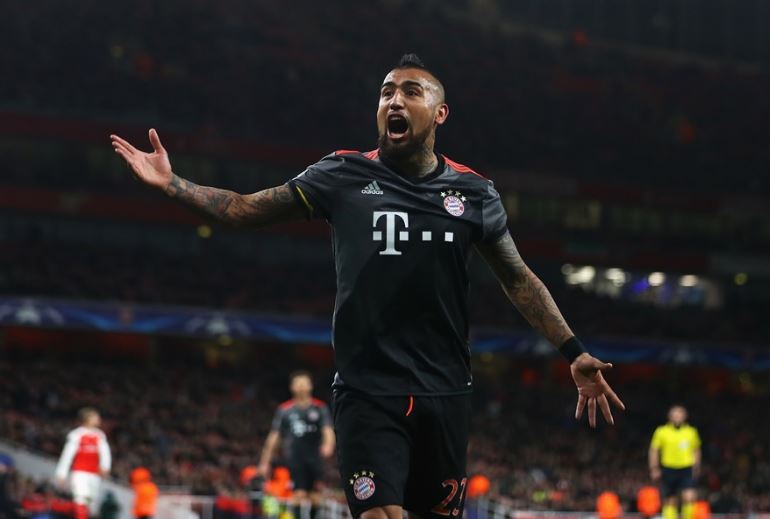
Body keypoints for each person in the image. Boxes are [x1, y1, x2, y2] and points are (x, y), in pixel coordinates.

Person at [110, 53, 625, 519]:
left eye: (410, 92)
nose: (394, 101)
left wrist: (573, 350)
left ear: (439, 113)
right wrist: (172, 184)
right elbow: (245, 209)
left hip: (445, 391)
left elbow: (518, 277)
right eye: (386, 92)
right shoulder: (341, 174)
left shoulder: (474, 193)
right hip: (366, 389)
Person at [259, 371, 334, 517]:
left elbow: (328, 430)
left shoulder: (320, 408)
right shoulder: (284, 410)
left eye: (304, 383)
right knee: (297, 495)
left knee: (315, 495)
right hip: (295, 458)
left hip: (315, 457)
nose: (301, 386)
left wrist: (328, 445)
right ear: (292, 387)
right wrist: (265, 461)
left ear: (310, 386)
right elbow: (274, 436)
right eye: (298, 383)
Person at [55, 408, 111, 519]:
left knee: (90, 502)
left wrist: (105, 467)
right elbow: (67, 455)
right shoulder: (76, 435)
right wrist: (61, 473)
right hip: (80, 472)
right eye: (95, 417)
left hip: (94, 473)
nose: (98, 419)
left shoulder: (100, 435)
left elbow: (105, 453)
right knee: (80, 498)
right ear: (87, 419)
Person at [649, 405, 702, 519]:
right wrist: (654, 468)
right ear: (669, 416)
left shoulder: (691, 432)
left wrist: (697, 466)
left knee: (689, 497)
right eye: (675, 415)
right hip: (669, 468)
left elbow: (696, 450)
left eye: (680, 414)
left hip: (686, 468)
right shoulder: (661, 431)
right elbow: (654, 450)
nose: (677, 417)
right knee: (670, 500)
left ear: (685, 416)